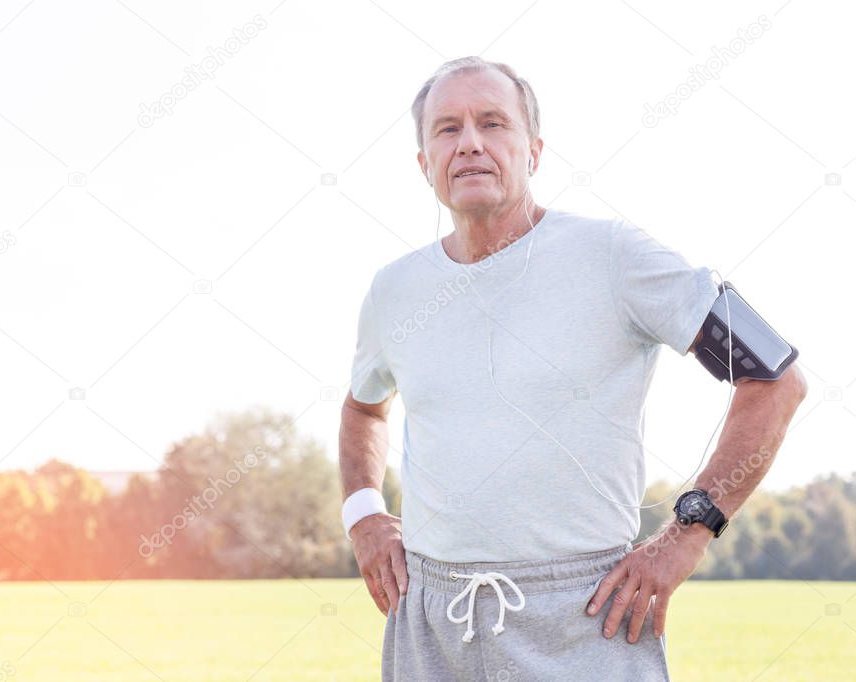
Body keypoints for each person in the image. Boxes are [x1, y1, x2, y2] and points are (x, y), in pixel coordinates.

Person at [338, 56, 808, 681]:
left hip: (587, 616)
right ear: (425, 163)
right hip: (430, 621)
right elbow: (363, 409)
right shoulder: (392, 290)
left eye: (492, 122)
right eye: (447, 129)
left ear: (533, 151)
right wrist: (364, 515)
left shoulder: (615, 256)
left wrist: (685, 536)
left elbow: (775, 378)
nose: (470, 143)